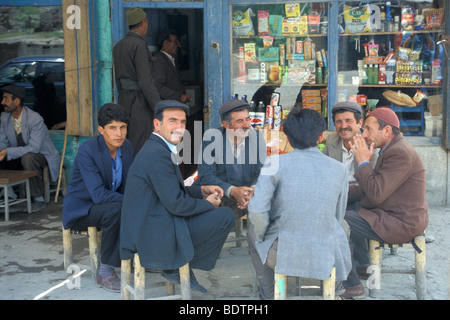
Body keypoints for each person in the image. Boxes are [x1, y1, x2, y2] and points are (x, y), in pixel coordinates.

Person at [120, 100, 234, 293]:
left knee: (213, 212)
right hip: (150, 233)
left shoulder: (159, 148)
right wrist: (208, 205)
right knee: (224, 216)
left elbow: (172, 192)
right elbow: (176, 204)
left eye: (182, 122)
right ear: (157, 124)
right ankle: (179, 265)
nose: (179, 127)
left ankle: (180, 265)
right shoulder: (157, 154)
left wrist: (201, 190)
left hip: (154, 222)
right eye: (173, 121)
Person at [247, 107, 351, 300]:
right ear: (321, 137)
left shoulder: (273, 164)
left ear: (287, 138)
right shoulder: (339, 169)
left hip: (282, 254)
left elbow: (257, 210)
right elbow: (338, 214)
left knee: (253, 230)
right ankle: (333, 291)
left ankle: (269, 295)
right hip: (325, 251)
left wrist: (264, 236)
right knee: (341, 226)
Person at [340, 107, 429, 299]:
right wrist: (335, 195)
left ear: (387, 131)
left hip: (400, 222)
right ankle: (362, 266)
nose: (364, 135)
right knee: (346, 207)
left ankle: (352, 284)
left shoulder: (399, 153)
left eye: (369, 129)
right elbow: (369, 188)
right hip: (390, 215)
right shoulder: (391, 149)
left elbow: (375, 193)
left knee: (339, 222)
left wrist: (363, 163)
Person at [62, 103, 133, 293]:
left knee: (137, 205)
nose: (119, 133)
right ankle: (105, 272)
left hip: (108, 206)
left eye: (123, 127)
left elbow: (128, 186)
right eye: (112, 128)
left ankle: (137, 257)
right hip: (82, 210)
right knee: (118, 209)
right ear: (101, 130)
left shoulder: (127, 147)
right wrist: (132, 201)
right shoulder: (88, 150)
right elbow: (99, 195)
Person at [323, 101, 379, 277]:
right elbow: (324, 170)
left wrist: (342, 194)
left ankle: (360, 263)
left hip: (362, 194)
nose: (343, 126)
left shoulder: (370, 143)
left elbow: (370, 183)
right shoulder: (332, 140)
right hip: (336, 193)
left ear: (359, 123)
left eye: (348, 121)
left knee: (352, 212)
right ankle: (333, 261)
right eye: (338, 122)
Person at [197, 99, 267, 236]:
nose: (247, 125)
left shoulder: (256, 138)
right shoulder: (211, 140)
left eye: (248, 119)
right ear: (226, 125)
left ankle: (260, 245)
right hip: (223, 196)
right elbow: (206, 175)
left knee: (272, 196)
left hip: (249, 195)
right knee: (206, 199)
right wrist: (233, 190)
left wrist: (252, 191)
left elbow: (262, 172)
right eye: (240, 121)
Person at [0, 84, 60, 212]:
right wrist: (2, 152)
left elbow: (34, 148)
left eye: (5, 98)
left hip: (41, 155)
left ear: (16, 101)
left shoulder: (34, 118)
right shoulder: (5, 117)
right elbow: (3, 142)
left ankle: (38, 199)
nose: (2, 102)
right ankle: (8, 193)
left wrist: (8, 152)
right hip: (19, 154)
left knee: (28, 158)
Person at [113, 7, 161, 156]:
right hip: (139, 104)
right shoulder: (139, 44)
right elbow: (145, 82)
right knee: (140, 147)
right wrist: (158, 107)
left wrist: (123, 97)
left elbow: (118, 80)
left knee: (125, 145)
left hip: (124, 101)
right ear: (143, 23)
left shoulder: (118, 45)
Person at [152, 29, 191, 104]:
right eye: (176, 42)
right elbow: (158, 87)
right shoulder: (158, 60)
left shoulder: (171, 60)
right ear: (166, 43)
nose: (179, 45)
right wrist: (179, 97)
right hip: (167, 108)